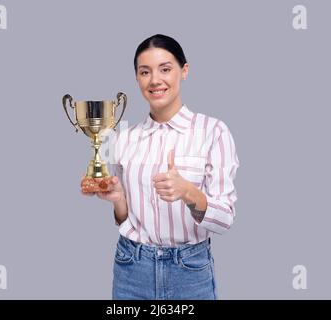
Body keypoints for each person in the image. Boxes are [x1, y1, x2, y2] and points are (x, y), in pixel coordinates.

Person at [82, 34, 239, 300]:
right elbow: (124, 220)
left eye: (165, 69)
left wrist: (189, 192)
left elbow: (225, 219)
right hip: (131, 266)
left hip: (189, 271)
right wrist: (119, 201)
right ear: (137, 78)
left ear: (184, 71)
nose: (155, 80)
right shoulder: (121, 137)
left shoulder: (213, 131)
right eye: (145, 72)